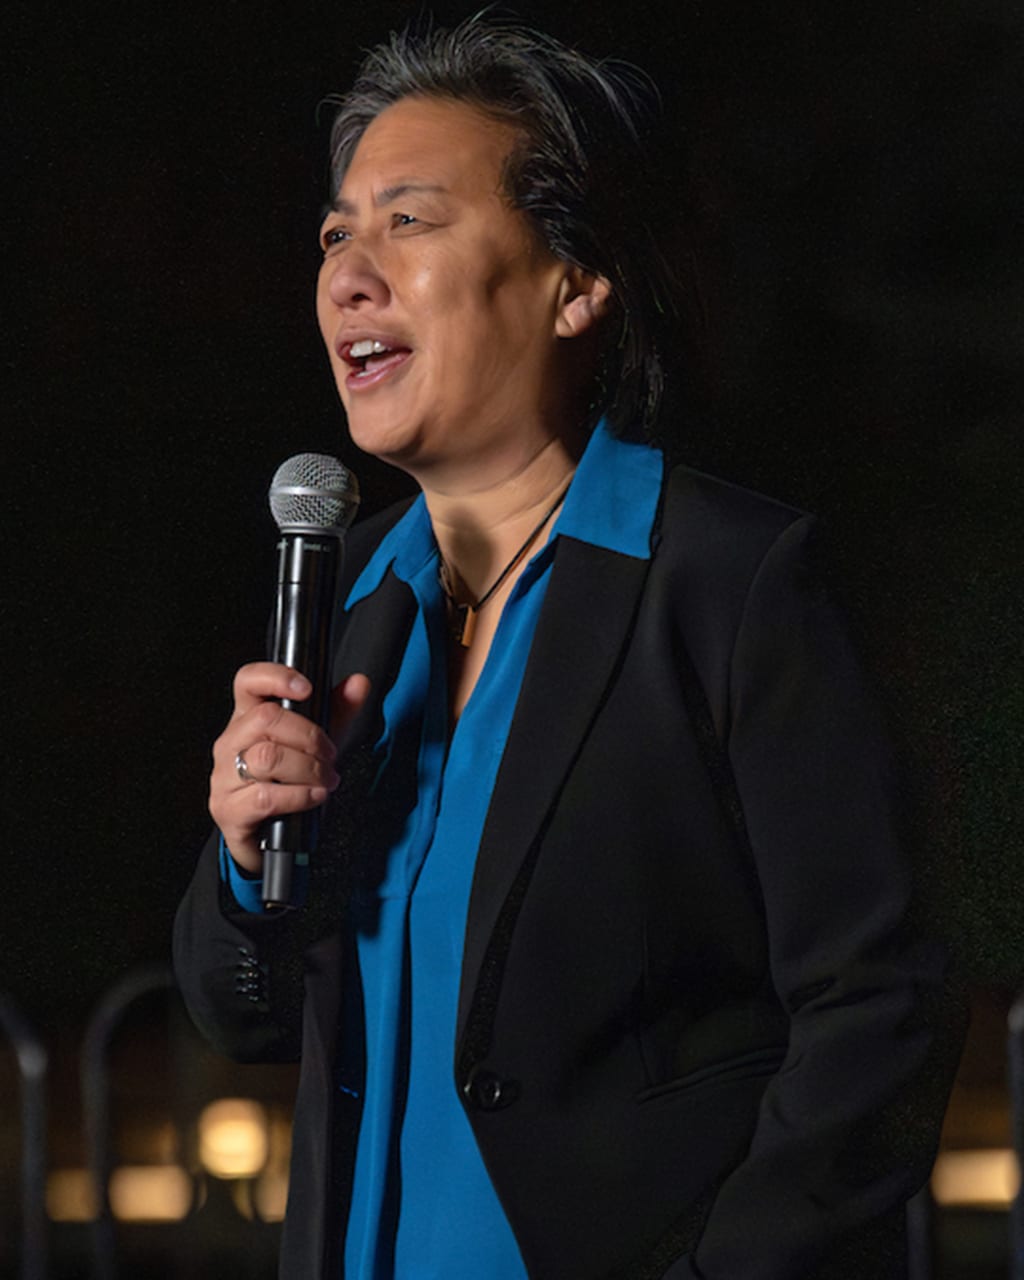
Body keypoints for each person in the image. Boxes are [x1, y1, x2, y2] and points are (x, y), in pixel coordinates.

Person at [174, 17, 952, 1279]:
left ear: (573, 282)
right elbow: (240, 1010)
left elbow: (879, 1012)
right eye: (335, 232)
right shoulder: (354, 594)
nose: (347, 272)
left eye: (409, 222)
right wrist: (241, 852)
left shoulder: (727, 579)